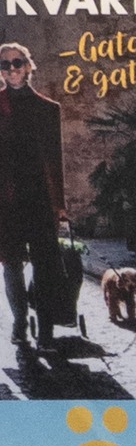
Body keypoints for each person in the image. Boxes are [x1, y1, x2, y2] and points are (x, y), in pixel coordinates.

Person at [0, 42, 66, 349]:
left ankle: (46, 331)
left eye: (17, 62)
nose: (12, 69)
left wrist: (60, 205)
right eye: (5, 65)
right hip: (6, 202)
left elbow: (55, 160)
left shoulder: (48, 109)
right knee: (11, 265)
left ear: (28, 66)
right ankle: (20, 322)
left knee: (45, 265)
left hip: (39, 198)